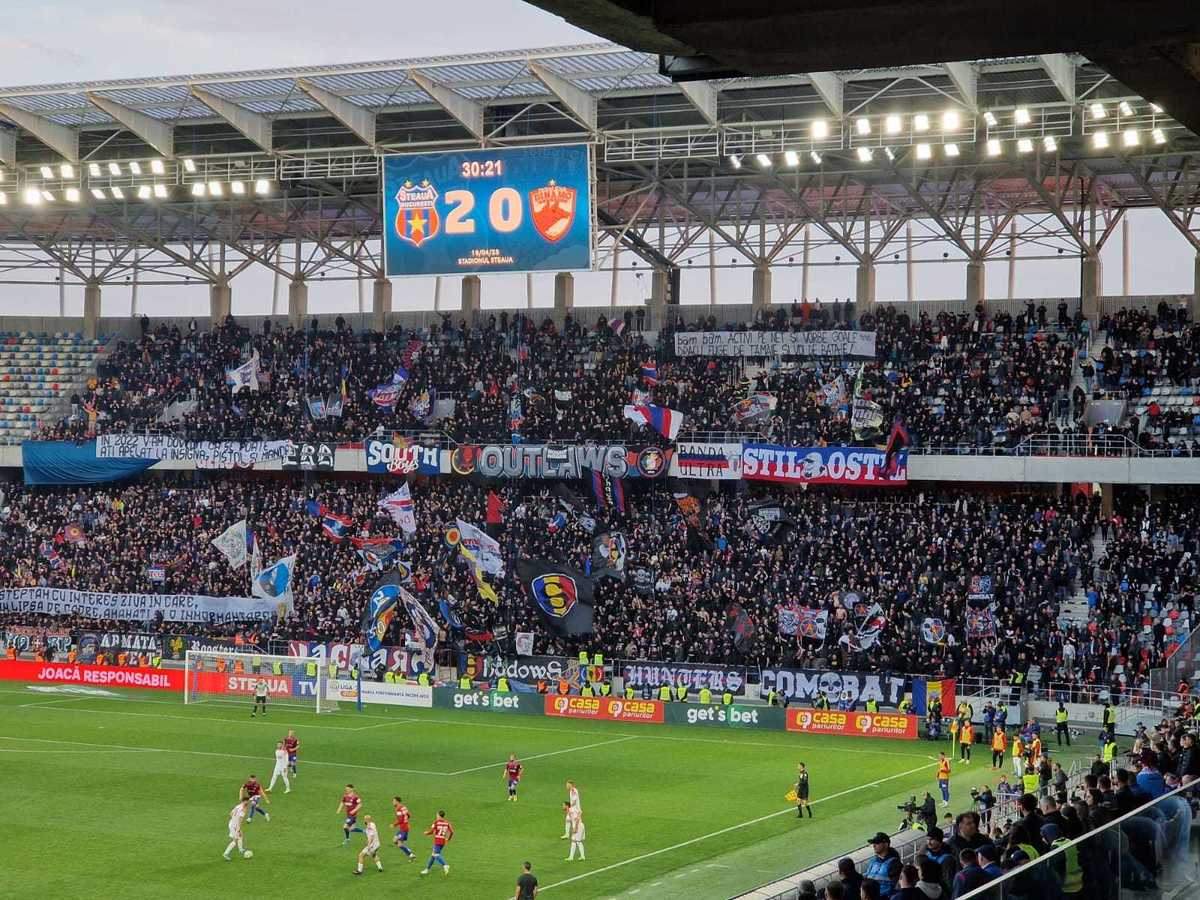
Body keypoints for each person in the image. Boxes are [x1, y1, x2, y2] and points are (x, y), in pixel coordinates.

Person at [863, 832, 901, 897]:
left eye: (877, 843)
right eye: (873, 843)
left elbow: (894, 887)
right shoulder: (872, 861)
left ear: (886, 845)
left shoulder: (895, 864)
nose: (874, 845)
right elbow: (866, 878)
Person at [420, 809, 453, 876]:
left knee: (436, 854)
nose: (436, 816)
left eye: (437, 814)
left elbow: (432, 831)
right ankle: (427, 869)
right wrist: (448, 839)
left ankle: (445, 865)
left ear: (439, 815)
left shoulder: (436, 822)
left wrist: (426, 833)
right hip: (443, 841)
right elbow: (452, 832)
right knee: (433, 855)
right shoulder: (447, 823)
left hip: (437, 840)